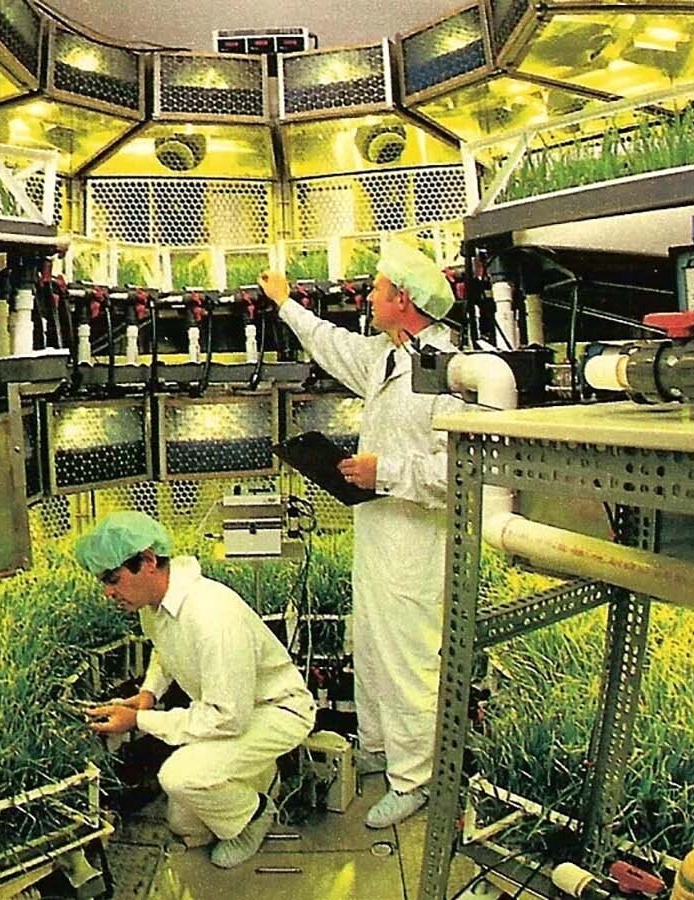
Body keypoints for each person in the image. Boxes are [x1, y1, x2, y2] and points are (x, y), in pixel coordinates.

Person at [258, 241, 463, 829]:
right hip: (378, 529)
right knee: (370, 647)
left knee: (407, 661)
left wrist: (386, 473)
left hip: (417, 542)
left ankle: (414, 779)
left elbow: (462, 471)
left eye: (375, 290)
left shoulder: (449, 371)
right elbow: (329, 342)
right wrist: (285, 304)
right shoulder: (386, 357)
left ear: (403, 300)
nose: (366, 298)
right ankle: (379, 748)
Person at [75, 510, 316, 868]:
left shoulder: (210, 616)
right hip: (234, 710)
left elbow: (228, 718)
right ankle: (261, 778)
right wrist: (149, 694)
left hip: (276, 711)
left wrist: (139, 720)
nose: (108, 592)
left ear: (148, 561)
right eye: (103, 581)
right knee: (185, 825)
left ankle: (256, 814)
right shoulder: (156, 604)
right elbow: (164, 648)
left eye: (113, 578)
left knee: (180, 776)